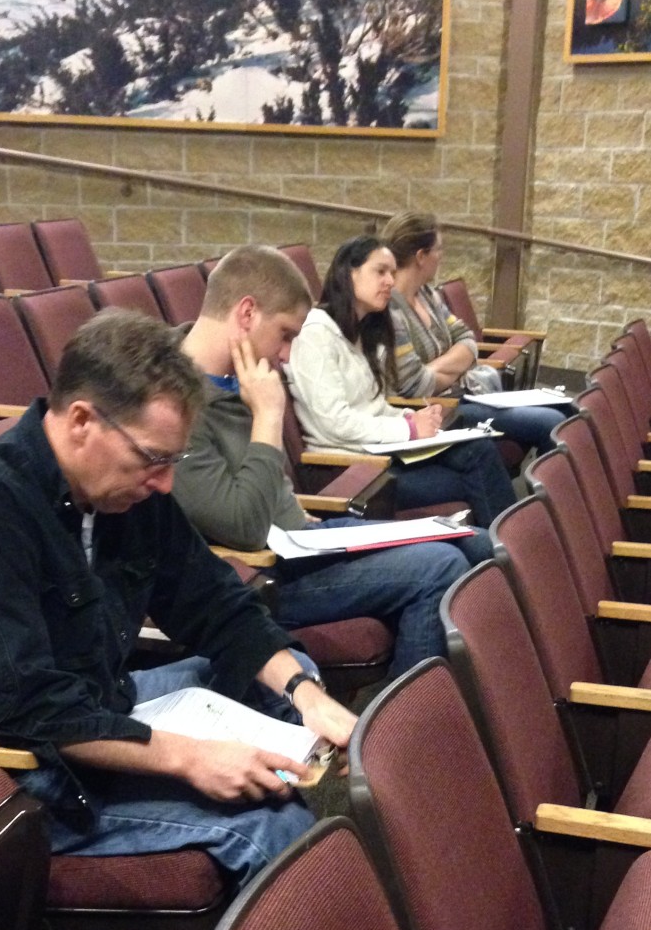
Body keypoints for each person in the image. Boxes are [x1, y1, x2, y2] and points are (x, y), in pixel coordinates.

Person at [0, 309, 358, 890]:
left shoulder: (129, 493)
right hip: (17, 771)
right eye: (152, 458)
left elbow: (214, 603)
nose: (165, 483)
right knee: (271, 829)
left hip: (103, 703)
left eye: (173, 461)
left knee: (293, 680)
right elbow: (26, 707)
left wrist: (308, 697)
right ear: (82, 421)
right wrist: (188, 757)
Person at [172, 244, 477, 679]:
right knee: (440, 568)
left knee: (468, 539)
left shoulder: (243, 377)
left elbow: (265, 487)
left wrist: (297, 513)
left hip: (302, 538)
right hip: (262, 578)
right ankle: (401, 733)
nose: (285, 355)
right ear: (246, 314)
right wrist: (269, 415)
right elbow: (241, 526)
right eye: (285, 335)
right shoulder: (177, 402)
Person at [285, 236, 516, 528]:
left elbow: (373, 407)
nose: (390, 282)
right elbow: (335, 421)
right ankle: (506, 552)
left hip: (378, 452)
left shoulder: (360, 332)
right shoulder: (315, 334)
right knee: (475, 478)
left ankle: (508, 551)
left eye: (392, 273)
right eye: (380, 271)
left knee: (479, 450)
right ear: (349, 272)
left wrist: (413, 417)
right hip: (348, 470)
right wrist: (407, 429)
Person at [383, 210, 568, 454]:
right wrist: (457, 367)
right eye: (438, 249)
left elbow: (467, 339)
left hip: (462, 394)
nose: (441, 256)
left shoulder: (427, 295)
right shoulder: (390, 309)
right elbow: (415, 386)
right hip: (440, 411)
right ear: (421, 256)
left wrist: (433, 369)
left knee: (567, 410)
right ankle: (544, 489)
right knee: (551, 423)